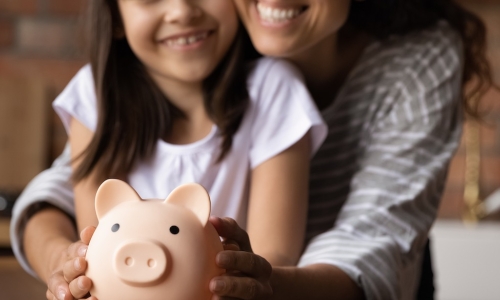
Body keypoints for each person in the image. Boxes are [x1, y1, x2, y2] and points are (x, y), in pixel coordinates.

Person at [11, 0, 496, 299]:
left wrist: (247, 281)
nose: (180, 10)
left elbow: (361, 246)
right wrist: (68, 262)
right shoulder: (188, 54)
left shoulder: (275, 84)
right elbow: (73, 191)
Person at [10, 0, 329, 299]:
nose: (182, 11)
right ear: (116, 17)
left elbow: (274, 256)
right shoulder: (96, 95)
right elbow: (98, 241)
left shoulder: (275, 91)